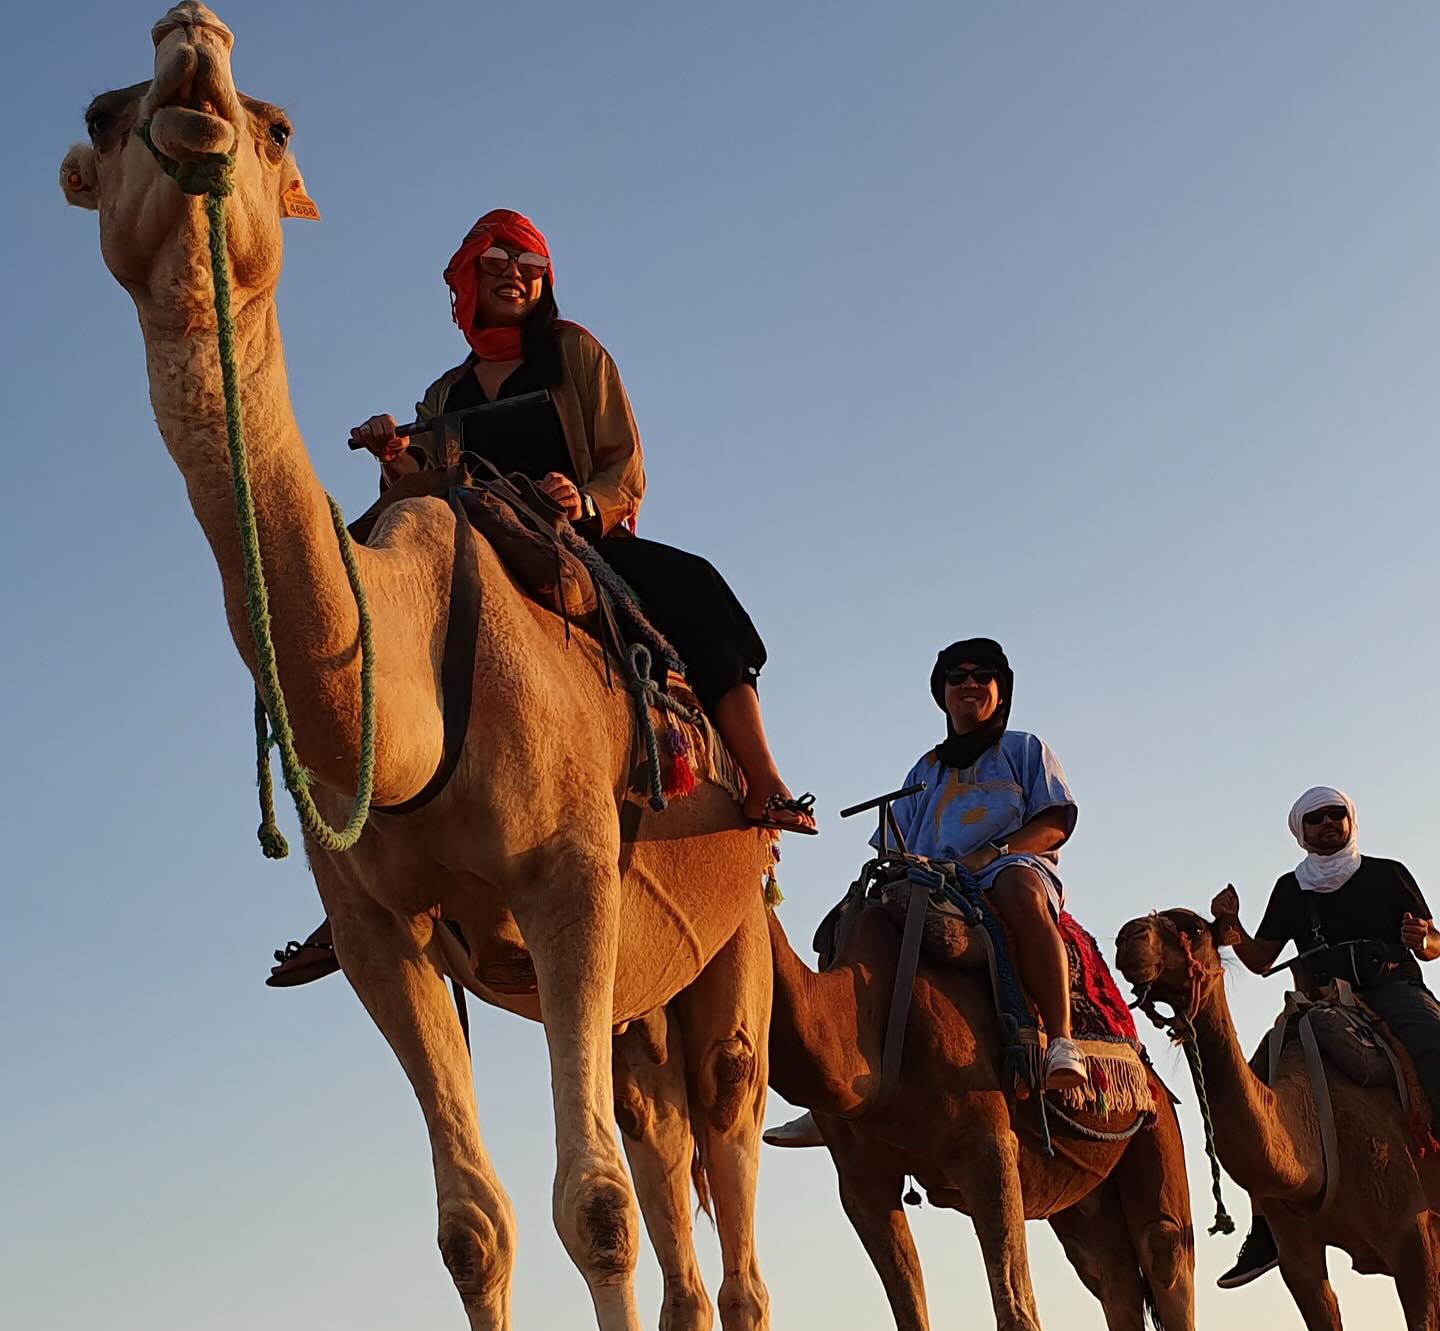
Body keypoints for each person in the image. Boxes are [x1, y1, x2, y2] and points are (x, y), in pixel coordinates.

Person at [269, 208, 813, 987]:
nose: (514, 280)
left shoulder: (573, 354)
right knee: (356, 622)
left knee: (694, 589)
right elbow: (422, 473)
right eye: (496, 271)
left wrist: (585, 500)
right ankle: (353, 881)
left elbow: (623, 461)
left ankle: (760, 778)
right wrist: (395, 453)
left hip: (578, 535)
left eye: (526, 269)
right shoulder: (446, 392)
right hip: (477, 538)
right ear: (468, 288)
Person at [765, 637, 1087, 1147]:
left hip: (1006, 866)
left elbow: (1055, 820)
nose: (969, 684)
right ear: (943, 694)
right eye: (956, 677)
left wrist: (996, 852)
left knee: (1021, 889)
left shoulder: (1025, 749)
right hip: (934, 880)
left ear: (1000, 692)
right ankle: (832, 1092)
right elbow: (893, 842)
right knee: (850, 923)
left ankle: (1062, 1043)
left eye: (982, 675)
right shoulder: (925, 771)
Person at [1210, 786, 1440, 1287]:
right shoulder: (1291, 890)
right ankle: (1265, 1227)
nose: (1328, 824)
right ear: (1301, 831)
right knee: (1253, 1085)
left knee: (1433, 1046)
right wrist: (1231, 924)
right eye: (1316, 818)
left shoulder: (1387, 873)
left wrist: (1421, 937)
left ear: (1350, 820)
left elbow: (1432, 945)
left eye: (1336, 814)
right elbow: (1261, 960)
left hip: (1390, 991)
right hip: (1319, 1002)